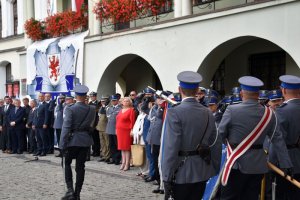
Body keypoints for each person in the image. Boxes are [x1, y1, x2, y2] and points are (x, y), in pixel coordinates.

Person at [218, 76, 293, 200]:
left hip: (236, 163)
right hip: (257, 166)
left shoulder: (231, 110)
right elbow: (277, 140)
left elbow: (221, 135)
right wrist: (286, 163)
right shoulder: (269, 113)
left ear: (241, 93)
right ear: (258, 94)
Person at [162, 71, 221, 200]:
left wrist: (166, 176)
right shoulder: (208, 112)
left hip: (181, 172)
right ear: (197, 90)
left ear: (179, 89)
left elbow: (171, 147)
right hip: (201, 169)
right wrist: (215, 168)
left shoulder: (174, 113)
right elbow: (215, 142)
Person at [60, 85, 96, 200]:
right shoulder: (92, 109)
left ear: (76, 96)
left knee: (67, 164)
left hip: (72, 141)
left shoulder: (70, 108)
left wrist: (62, 144)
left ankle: (70, 190)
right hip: (85, 140)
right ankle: (77, 194)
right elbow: (92, 124)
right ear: (86, 96)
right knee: (80, 167)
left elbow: (66, 127)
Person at [269, 75, 300, 200]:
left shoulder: (282, 111)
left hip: (286, 164)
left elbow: (277, 141)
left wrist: (272, 163)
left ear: (284, 90)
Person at [116, 97, 136, 171]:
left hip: (127, 131)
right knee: (121, 148)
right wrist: (116, 129)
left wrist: (132, 130)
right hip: (120, 131)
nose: (125, 102)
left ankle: (127, 163)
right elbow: (117, 120)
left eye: (127, 101)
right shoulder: (121, 110)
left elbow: (132, 122)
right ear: (122, 102)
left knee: (127, 148)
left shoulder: (131, 110)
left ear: (130, 102)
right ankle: (123, 162)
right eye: (124, 101)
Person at [106, 95, 122, 165]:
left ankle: (117, 159)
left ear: (118, 101)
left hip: (116, 129)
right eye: (112, 100)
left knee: (116, 144)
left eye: (114, 100)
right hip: (110, 128)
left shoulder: (120, 108)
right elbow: (108, 117)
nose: (113, 102)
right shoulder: (109, 108)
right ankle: (113, 158)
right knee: (111, 144)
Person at [97, 96, 111, 162]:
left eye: (104, 101)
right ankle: (103, 155)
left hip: (106, 128)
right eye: (102, 101)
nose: (102, 102)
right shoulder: (101, 108)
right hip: (100, 127)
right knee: (102, 143)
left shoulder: (108, 108)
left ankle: (107, 156)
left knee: (107, 143)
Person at [89, 91, 101, 157]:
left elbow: (98, 115)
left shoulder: (99, 103)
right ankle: (94, 151)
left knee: (97, 139)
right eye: (91, 96)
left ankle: (97, 151)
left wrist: (97, 124)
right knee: (92, 139)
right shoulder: (90, 103)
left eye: (93, 96)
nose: (92, 97)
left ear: (95, 96)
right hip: (91, 123)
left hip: (96, 122)